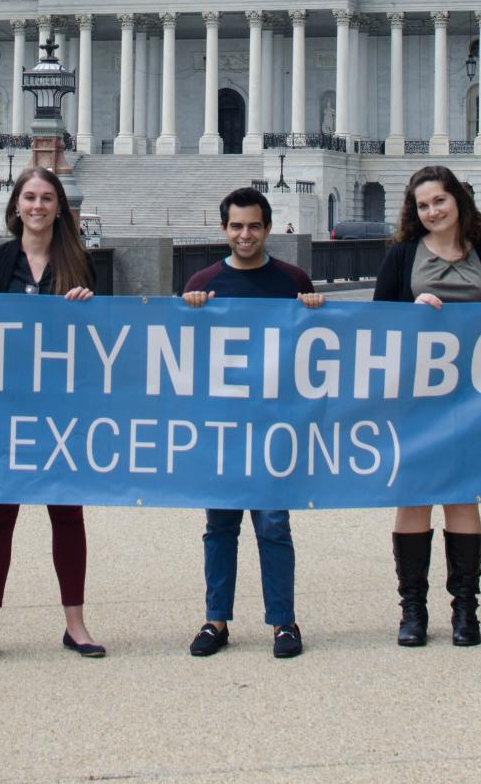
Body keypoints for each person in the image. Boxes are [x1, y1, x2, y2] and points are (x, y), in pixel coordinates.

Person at [373, 166, 481, 648]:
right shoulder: (401, 257)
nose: (432, 211)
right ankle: (412, 610)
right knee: (413, 496)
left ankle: (465, 610)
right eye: (423, 205)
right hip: (415, 395)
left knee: (462, 496)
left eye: (439, 201)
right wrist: (411, 315)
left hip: (470, 397)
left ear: (458, 200)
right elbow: (376, 326)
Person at [180, 187, 325, 659]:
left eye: (254, 226)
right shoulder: (203, 281)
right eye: (237, 226)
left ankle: (284, 621)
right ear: (223, 229)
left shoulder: (292, 279)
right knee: (219, 527)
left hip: (273, 426)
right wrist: (190, 311)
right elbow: (181, 357)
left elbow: (316, 350)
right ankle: (215, 619)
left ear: (267, 228)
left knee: (274, 525)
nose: (245, 234)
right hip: (222, 425)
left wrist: (318, 315)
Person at [0, 166, 101, 665]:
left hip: (61, 410)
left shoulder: (80, 263)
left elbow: (100, 344)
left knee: (67, 515)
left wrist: (89, 307)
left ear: (60, 206)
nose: (38, 206)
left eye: (47, 198)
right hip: (6, 407)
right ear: (16, 205)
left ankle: (76, 624)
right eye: (30, 197)